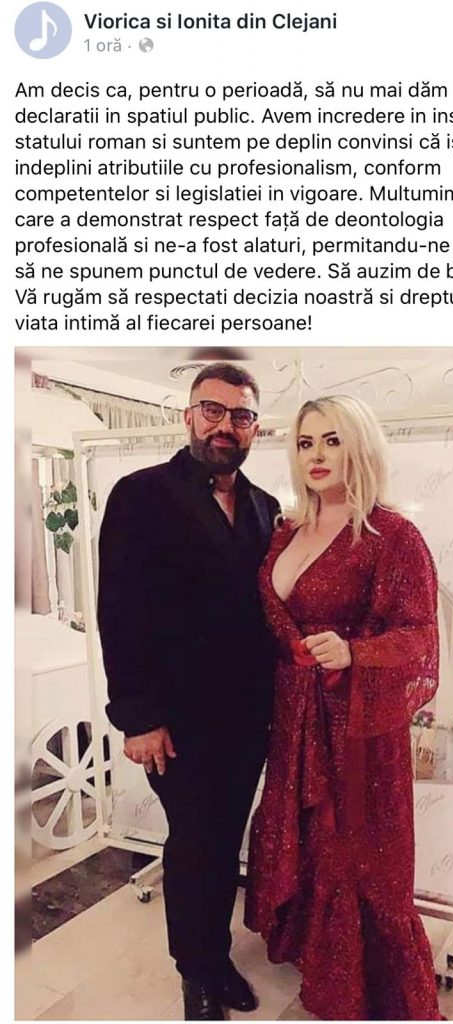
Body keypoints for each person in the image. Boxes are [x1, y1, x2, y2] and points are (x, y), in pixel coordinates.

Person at [245, 395, 442, 1021]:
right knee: (307, 837)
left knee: (356, 850)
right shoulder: (286, 530)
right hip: (294, 715)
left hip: (354, 723)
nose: (317, 455)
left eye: (332, 440)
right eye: (306, 443)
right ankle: (318, 952)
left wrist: (356, 651)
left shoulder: (393, 535)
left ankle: (363, 983)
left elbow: (420, 635)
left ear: (360, 446)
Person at [97, 362, 280, 1021]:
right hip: (173, 722)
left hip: (247, 717)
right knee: (194, 841)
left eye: (241, 415)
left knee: (222, 840)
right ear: (188, 417)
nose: (225, 425)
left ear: (254, 427)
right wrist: (137, 717)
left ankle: (216, 956)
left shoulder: (265, 507)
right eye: (213, 410)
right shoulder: (140, 494)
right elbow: (119, 611)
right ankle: (195, 972)